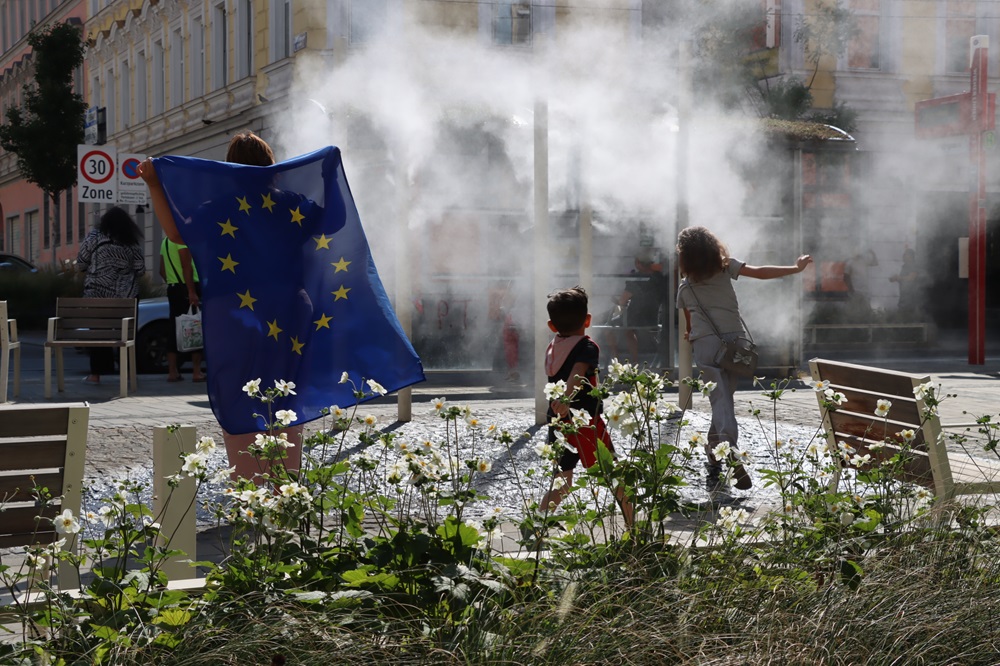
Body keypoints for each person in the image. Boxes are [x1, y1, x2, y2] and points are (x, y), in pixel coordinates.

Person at [139, 131, 303, 482]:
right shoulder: (290, 203)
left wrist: (154, 183)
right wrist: (323, 170)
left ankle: (248, 485)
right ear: (271, 167)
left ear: (229, 169)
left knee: (238, 394)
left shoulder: (218, 210)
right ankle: (287, 486)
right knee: (287, 396)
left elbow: (175, 234)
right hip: (288, 313)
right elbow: (333, 221)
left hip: (235, 316)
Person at [675, 226, 812, 495]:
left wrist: (692, 333)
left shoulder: (685, 286)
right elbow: (761, 272)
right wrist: (795, 269)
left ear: (685, 257)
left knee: (720, 398)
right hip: (735, 343)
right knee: (725, 397)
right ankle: (719, 452)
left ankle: (725, 450)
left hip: (705, 345)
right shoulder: (726, 267)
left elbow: (689, 324)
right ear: (712, 248)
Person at [538, 286, 633, 528]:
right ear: (588, 320)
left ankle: (538, 524)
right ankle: (636, 530)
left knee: (563, 480)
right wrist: (567, 399)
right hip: (584, 421)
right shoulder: (587, 347)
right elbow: (578, 374)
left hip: (558, 422)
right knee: (613, 474)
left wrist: (560, 403)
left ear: (552, 326)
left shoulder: (552, 348)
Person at [76, 206, 146, 385]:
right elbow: (140, 270)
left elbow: (81, 263)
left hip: (96, 296)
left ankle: (96, 374)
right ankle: (129, 374)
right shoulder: (131, 242)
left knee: (98, 333)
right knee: (127, 335)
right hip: (126, 298)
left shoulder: (94, 238)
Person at [159, 237, 205, 383]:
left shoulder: (165, 241)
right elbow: (187, 266)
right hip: (187, 287)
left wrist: (173, 281)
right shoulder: (182, 240)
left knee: (174, 328)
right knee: (194, 327)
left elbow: (161, 270)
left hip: (173, 288)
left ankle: (172, 372)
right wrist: (191, 291)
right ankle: (197, 372)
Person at [889, 247, 919, 312]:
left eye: (905, 254)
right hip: (904, 297)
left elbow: (911, 277)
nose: (903, 256)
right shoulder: (905, 266)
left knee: (909, 316)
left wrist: (899, 277)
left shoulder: (913, 265)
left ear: (910, 256)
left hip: (911, 299)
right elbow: (903, 279)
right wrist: (895, 278)